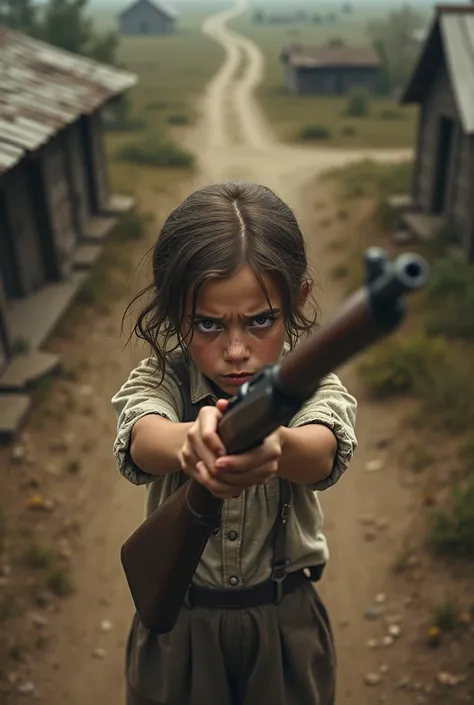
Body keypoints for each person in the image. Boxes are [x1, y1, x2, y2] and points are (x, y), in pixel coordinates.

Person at [111, 181, 358, 705]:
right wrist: (191, 442)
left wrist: (275, 446)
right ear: (176, 310)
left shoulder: (311, 382)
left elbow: (321, 451)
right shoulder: (166, 378)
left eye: (260, 320)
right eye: (208, 324)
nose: (237, 350)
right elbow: (141, 435)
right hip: (179, 621)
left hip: (283, 619)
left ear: (299, 300)